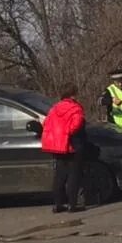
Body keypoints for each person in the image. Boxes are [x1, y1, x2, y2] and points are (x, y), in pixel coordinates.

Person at [41, 83, 87, 214]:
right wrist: (67, 132)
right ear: (73, 94)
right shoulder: (75, 108)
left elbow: (46, 123)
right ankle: (72, 205)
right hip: (72, 144)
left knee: (59, 176)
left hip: (57, 146)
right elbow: (76, 125)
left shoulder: (54, 108)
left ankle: (58, 204)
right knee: (73, 175)